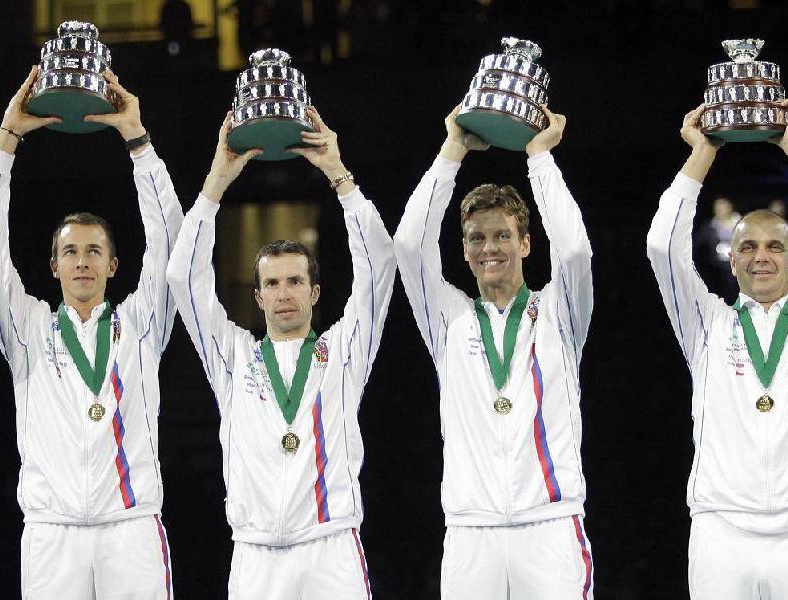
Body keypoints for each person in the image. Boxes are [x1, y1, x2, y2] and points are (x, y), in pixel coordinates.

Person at [0, 66, 182, 599]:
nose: (81, 261)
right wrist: (6, 140)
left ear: (113, 265)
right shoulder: (28, 330)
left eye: (93, 251)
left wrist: (138, 141)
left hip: (130, 527)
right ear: (54, 266)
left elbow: (172, 240)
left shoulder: (141, 324)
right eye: (69, 251)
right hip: (52, 531)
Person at [646, 98, 788, 600]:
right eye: (747, 246)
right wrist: (701, 154)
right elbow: (662, 246)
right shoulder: (706, 323)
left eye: (774, 247)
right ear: (731, 260)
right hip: (721, 532)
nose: (761, 256)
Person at [166, 107, 395, 599]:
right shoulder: (232, 355)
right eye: (272, 283)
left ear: (315, 292)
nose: (284, 292)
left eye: (295, 281)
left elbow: (379, 265)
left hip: (330, 548)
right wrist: (216, 181)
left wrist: (337, 172)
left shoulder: (345, 350)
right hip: (255, 556)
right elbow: (182, 277)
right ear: (258, 296)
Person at [393, 105, 595, 599]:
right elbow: (409, 244)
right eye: (477, 238)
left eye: (503, 235)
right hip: (471, 532)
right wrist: (452, 151)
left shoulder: (559, 313)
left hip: (549, 525)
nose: (490, 248)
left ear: (526, 243)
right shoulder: (450, 318)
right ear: (463, 251)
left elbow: (573, 251)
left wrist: (539, 157)